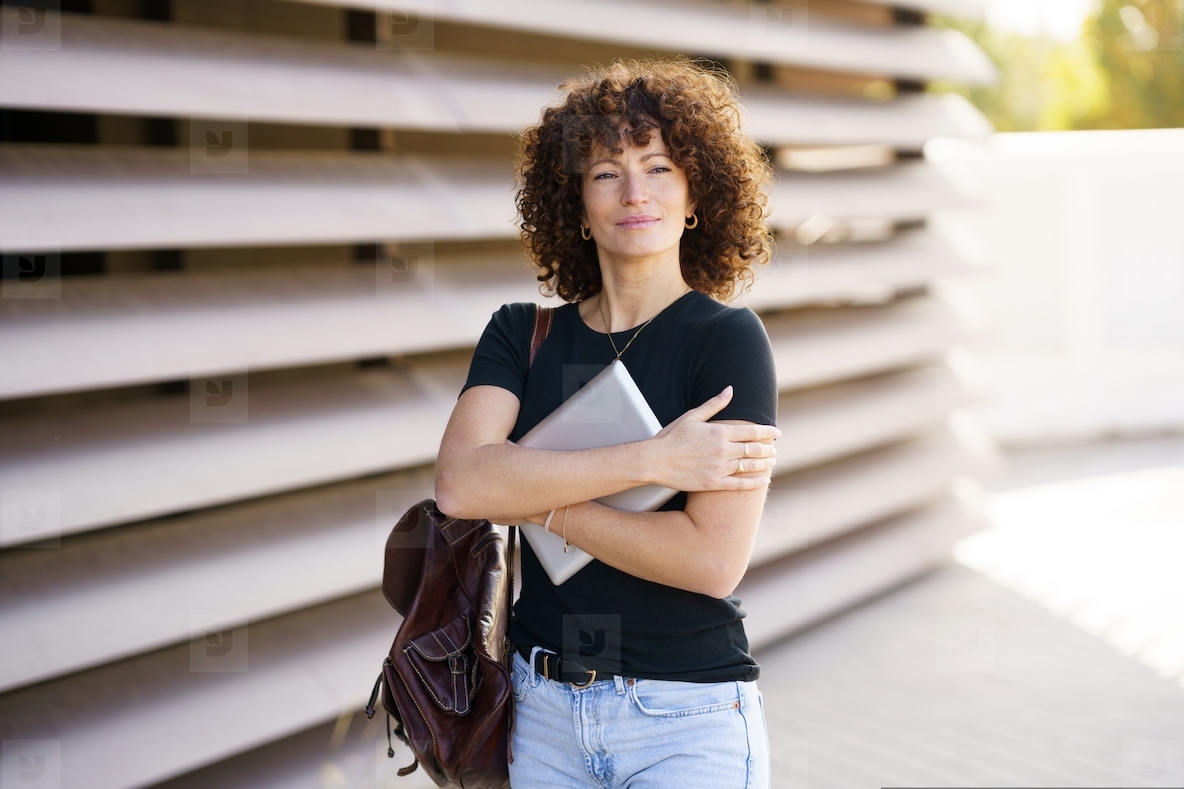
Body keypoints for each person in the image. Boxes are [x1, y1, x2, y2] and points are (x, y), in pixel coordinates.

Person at [434, 58, 779, 788]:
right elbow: (464, 483)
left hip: (684, 718)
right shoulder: (519, 333)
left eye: (657, 168)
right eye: (604, 174)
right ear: (577, 206)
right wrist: (654, 459)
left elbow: (711, 561)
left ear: (694, 196)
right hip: (540, 715)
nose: (633, 193)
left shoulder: (727, 340)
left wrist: (537, 494)